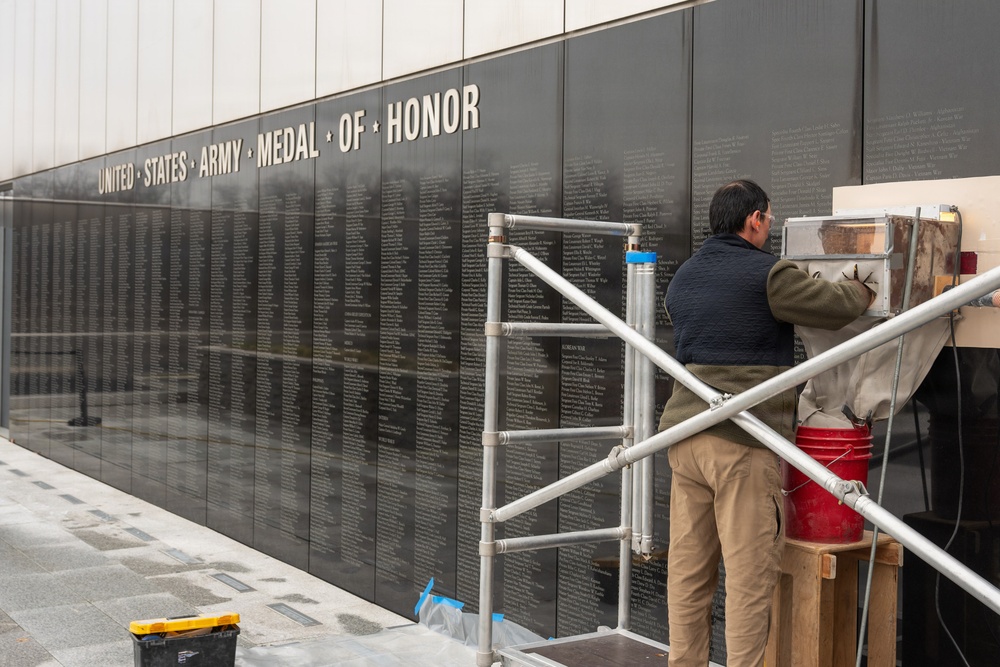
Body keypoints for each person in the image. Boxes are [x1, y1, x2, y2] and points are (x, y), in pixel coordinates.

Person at [659, 179, 875, 666]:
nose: (770, 228)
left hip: (685, 440)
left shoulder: (684, 278)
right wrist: (864, 286)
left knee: (689, 575)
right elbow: (836, 307)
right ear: (754, 219)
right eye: (770, 219)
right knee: (749, 579)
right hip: (742, 442)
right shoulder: (769, 275)